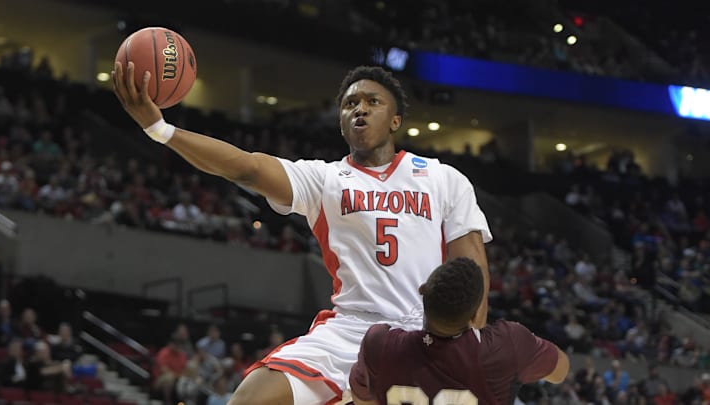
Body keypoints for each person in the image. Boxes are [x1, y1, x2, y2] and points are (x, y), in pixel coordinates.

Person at [113, 62, 492, 405]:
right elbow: (247, 168)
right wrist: (160, 129)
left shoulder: (443, 178)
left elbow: (472, 274)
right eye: (350, 103)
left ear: (395, 120)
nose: (359, 108)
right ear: (341, 121)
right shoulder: (324, 179)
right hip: (350, 332)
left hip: (424, 335)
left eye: (373, 101)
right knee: (250, 398)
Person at [350, 257, 569, 405]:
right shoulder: (506, 346)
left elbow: (362, 398)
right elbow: (560, 371)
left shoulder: (379, 343)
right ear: (474, 315)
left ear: (423, 292)